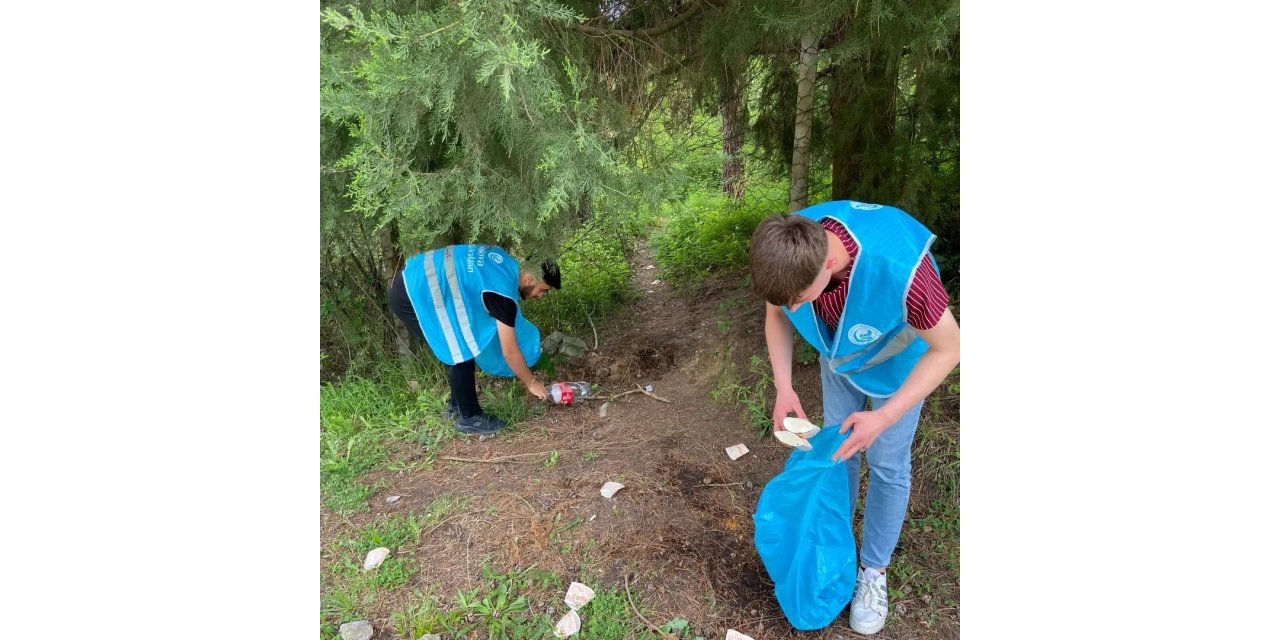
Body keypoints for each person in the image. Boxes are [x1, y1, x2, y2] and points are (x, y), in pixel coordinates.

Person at [748, 200, 960, 635]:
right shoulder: (793, 243)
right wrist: (784, 387)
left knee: (886, 464)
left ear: (828, 262)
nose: (793, 306)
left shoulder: (905, 273)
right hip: (841, 356)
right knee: (838, 449)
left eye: (801, 299)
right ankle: (834, 543)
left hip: (899, 369)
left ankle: (873, 572)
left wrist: (883, 419)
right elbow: (777, 311)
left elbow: (952, 348)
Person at [388, 244, 560, 435]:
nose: (541, 296)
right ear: (530, 279)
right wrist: (531, 382)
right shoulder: (502, 292)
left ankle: (457, 406)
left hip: (414, 280)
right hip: (414, 294)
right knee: (460, 350)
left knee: (457, 345)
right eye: (543, 290)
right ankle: (470, 418)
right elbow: (509, 351)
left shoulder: (503, 260)